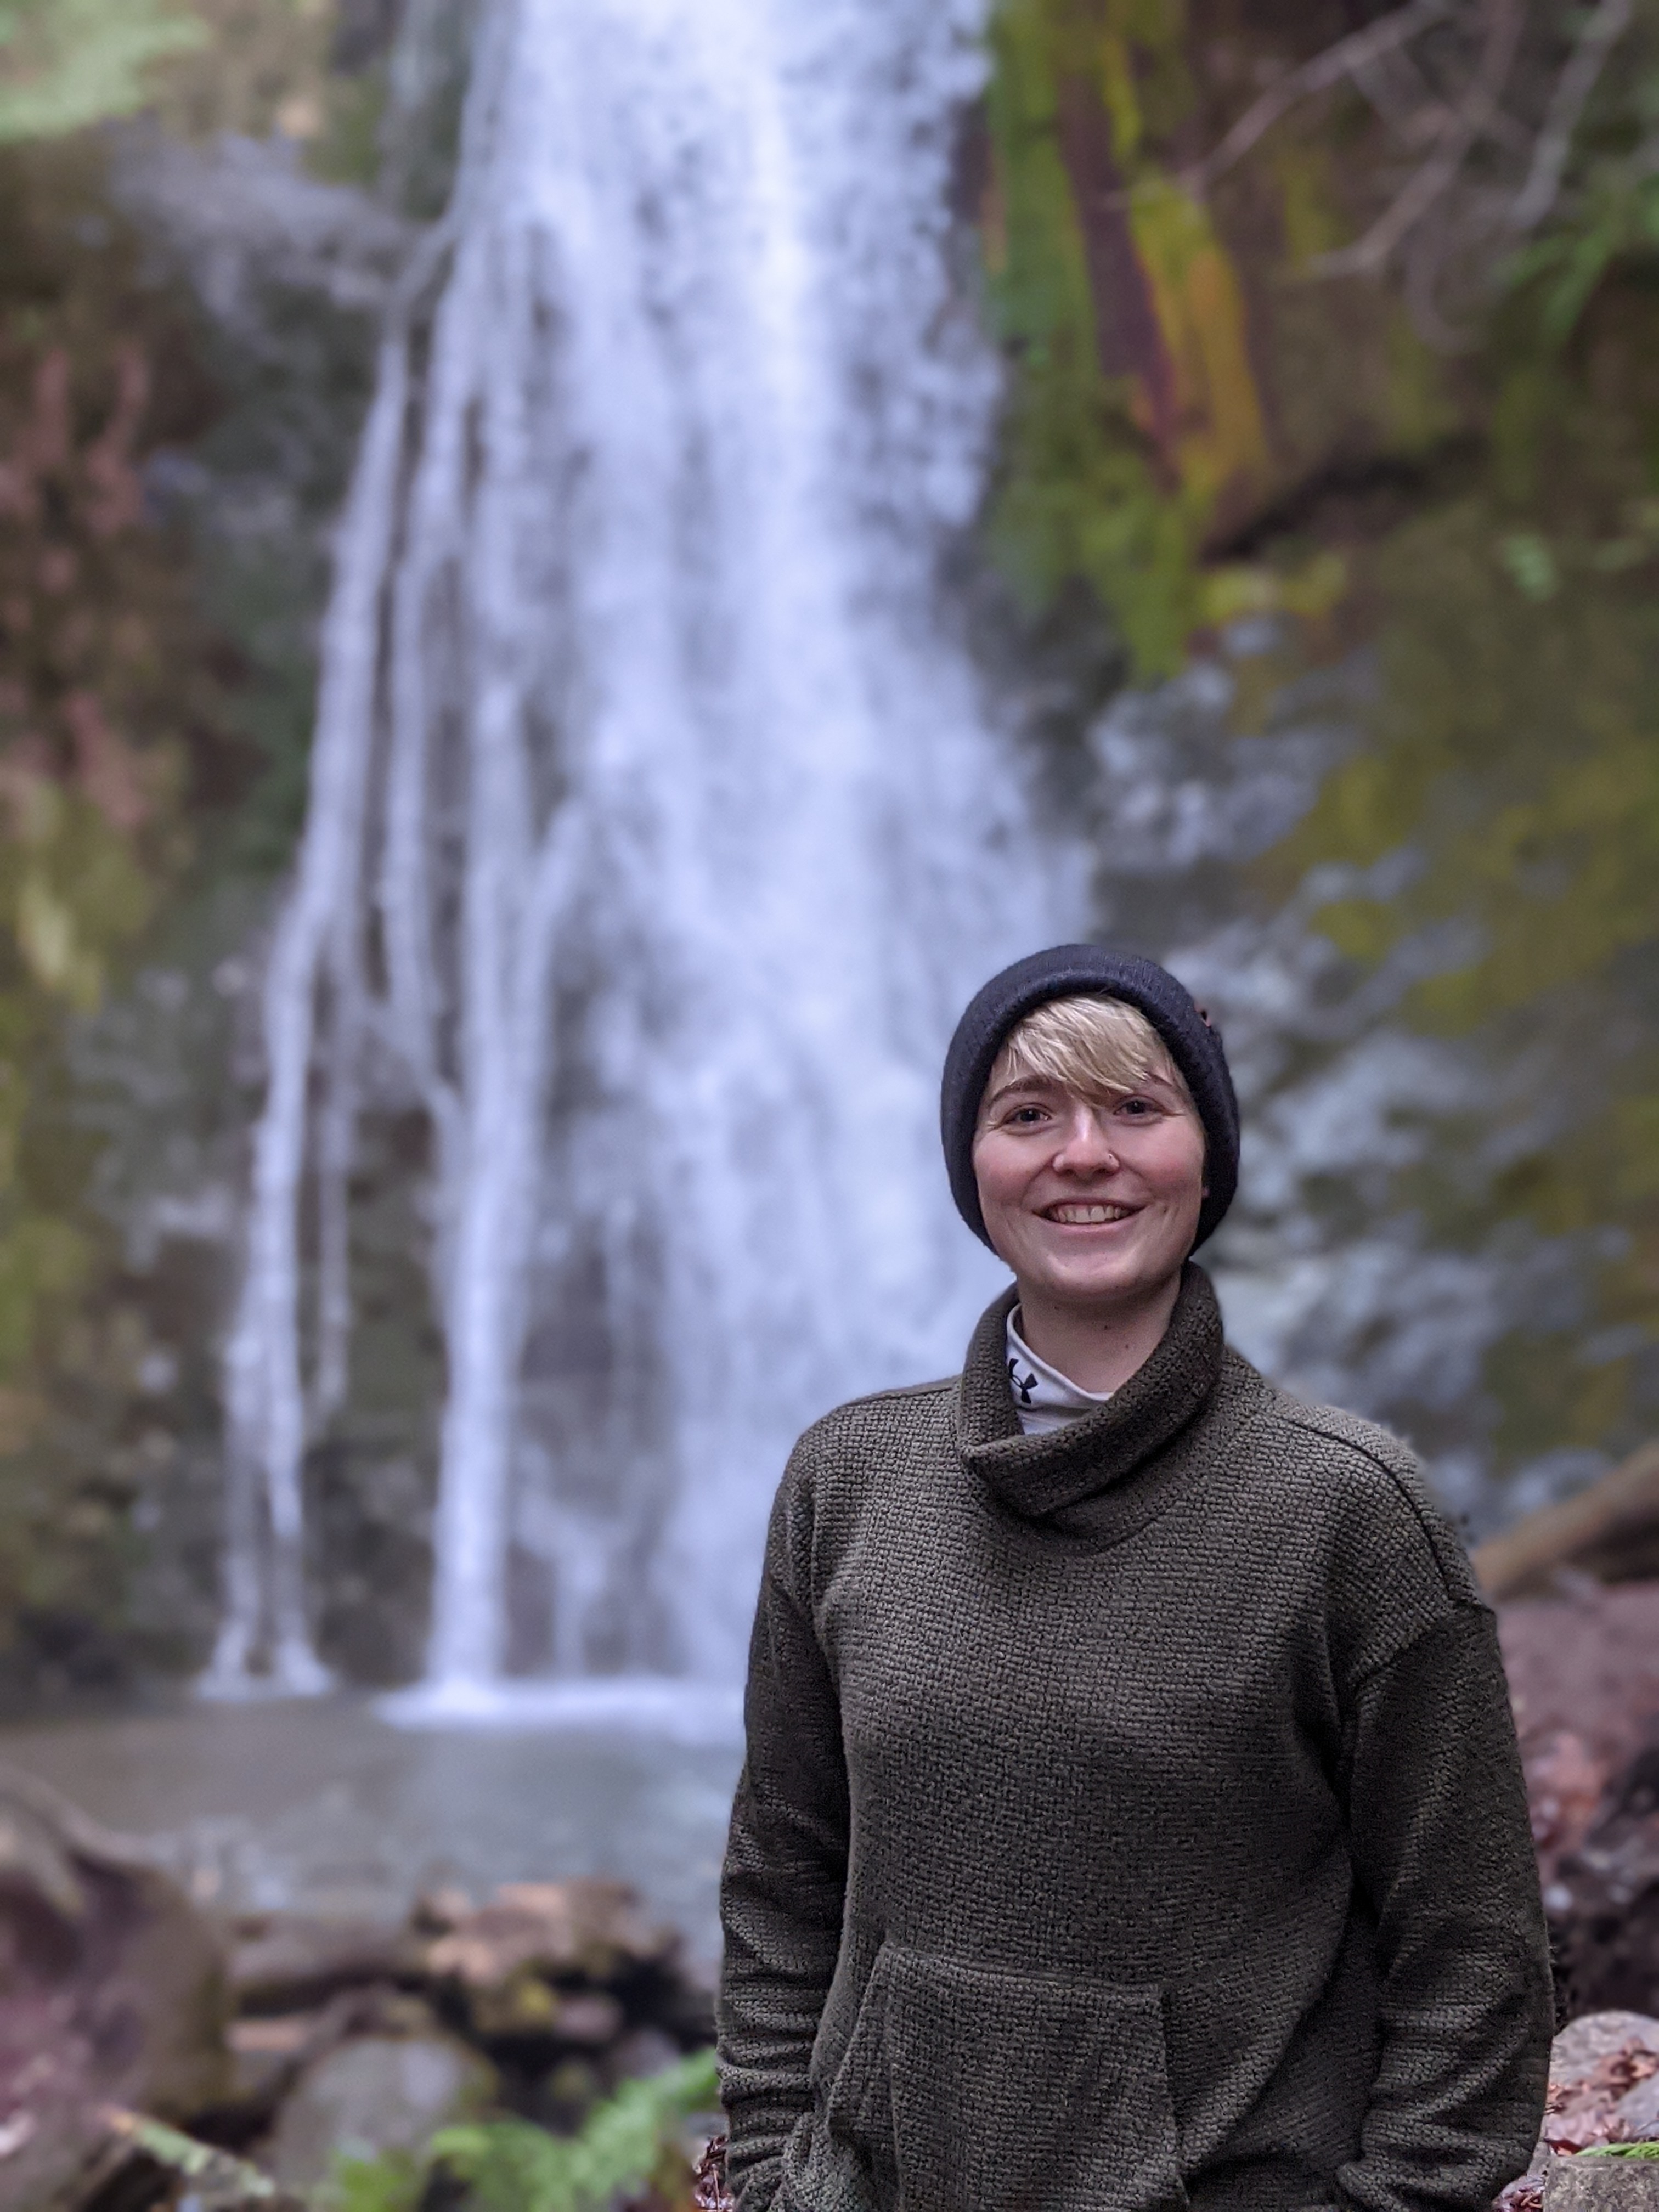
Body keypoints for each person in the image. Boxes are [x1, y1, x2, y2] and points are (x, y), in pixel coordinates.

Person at [716, 944, 1551, 2212]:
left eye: (1137, 1108)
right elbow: (783, 1878)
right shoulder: (847, 1482)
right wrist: (781, 2178)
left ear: (1204, 1159)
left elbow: (1474, 1953)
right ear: (973, 1167)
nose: (1083, 1154)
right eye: (1028, 1114)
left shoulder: (1349, 1513)